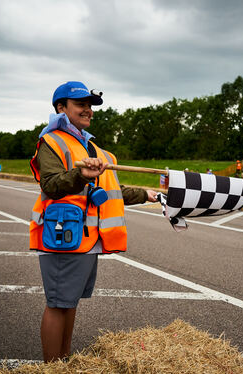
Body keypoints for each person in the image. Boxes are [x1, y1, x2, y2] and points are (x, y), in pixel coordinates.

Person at [29, 81, 158, 363]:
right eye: (80, 105)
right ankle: (52, 368)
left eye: (90, 105)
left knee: (69, 302)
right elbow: (50, 185)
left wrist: (145, 194)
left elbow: (112, 189)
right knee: (58, 303)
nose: (88, 110)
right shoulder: (52, 141)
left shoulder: (93, 147)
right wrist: (81, 176)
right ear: (61, 108)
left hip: (86, 238)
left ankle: (64, 362)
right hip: (63, 234)